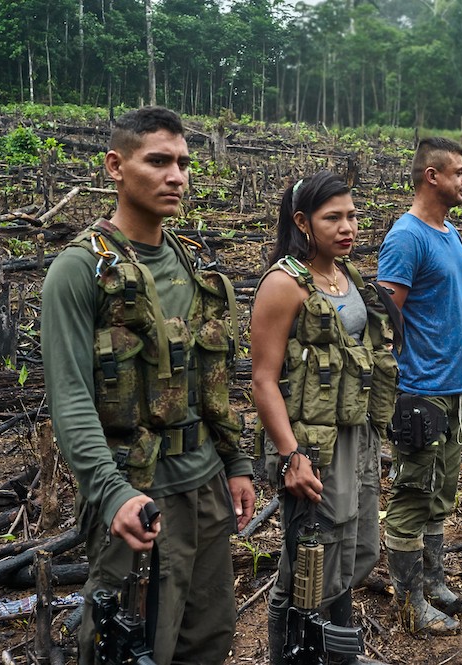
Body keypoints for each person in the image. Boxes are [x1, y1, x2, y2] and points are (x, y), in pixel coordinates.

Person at [41, 107, 256, 665]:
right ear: (115, 166)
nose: (176, 176)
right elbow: (69, 399)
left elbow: (212, 382)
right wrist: (112, 493)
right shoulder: (79, 269)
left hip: (206, 486)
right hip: (138, 493)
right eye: (158, 161)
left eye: (183, 163)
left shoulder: (195, 263)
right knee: (131, 646)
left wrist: (236, 465)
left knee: (207, 637)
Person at [251, 170, 397, 664]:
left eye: (352, 215)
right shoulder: (283, 284)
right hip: (313, 446)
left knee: (356, 550)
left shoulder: (346, 275)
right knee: (311, 566)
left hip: (354, 436)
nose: (347, 226)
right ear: (302, 222)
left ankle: (334, 652)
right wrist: (292, 456)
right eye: (332, 217)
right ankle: (296, 654)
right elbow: (263, 380)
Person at [377, 137, 462, 634]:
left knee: (441, 492)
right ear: (431, 175)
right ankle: (409, 600)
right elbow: (388, 319)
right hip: (420, 388)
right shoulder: (406, 237)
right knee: (413, 494)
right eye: (458, 172)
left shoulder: (450, 232)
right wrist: (401, 386)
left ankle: (434, 582)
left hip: (454, 384)